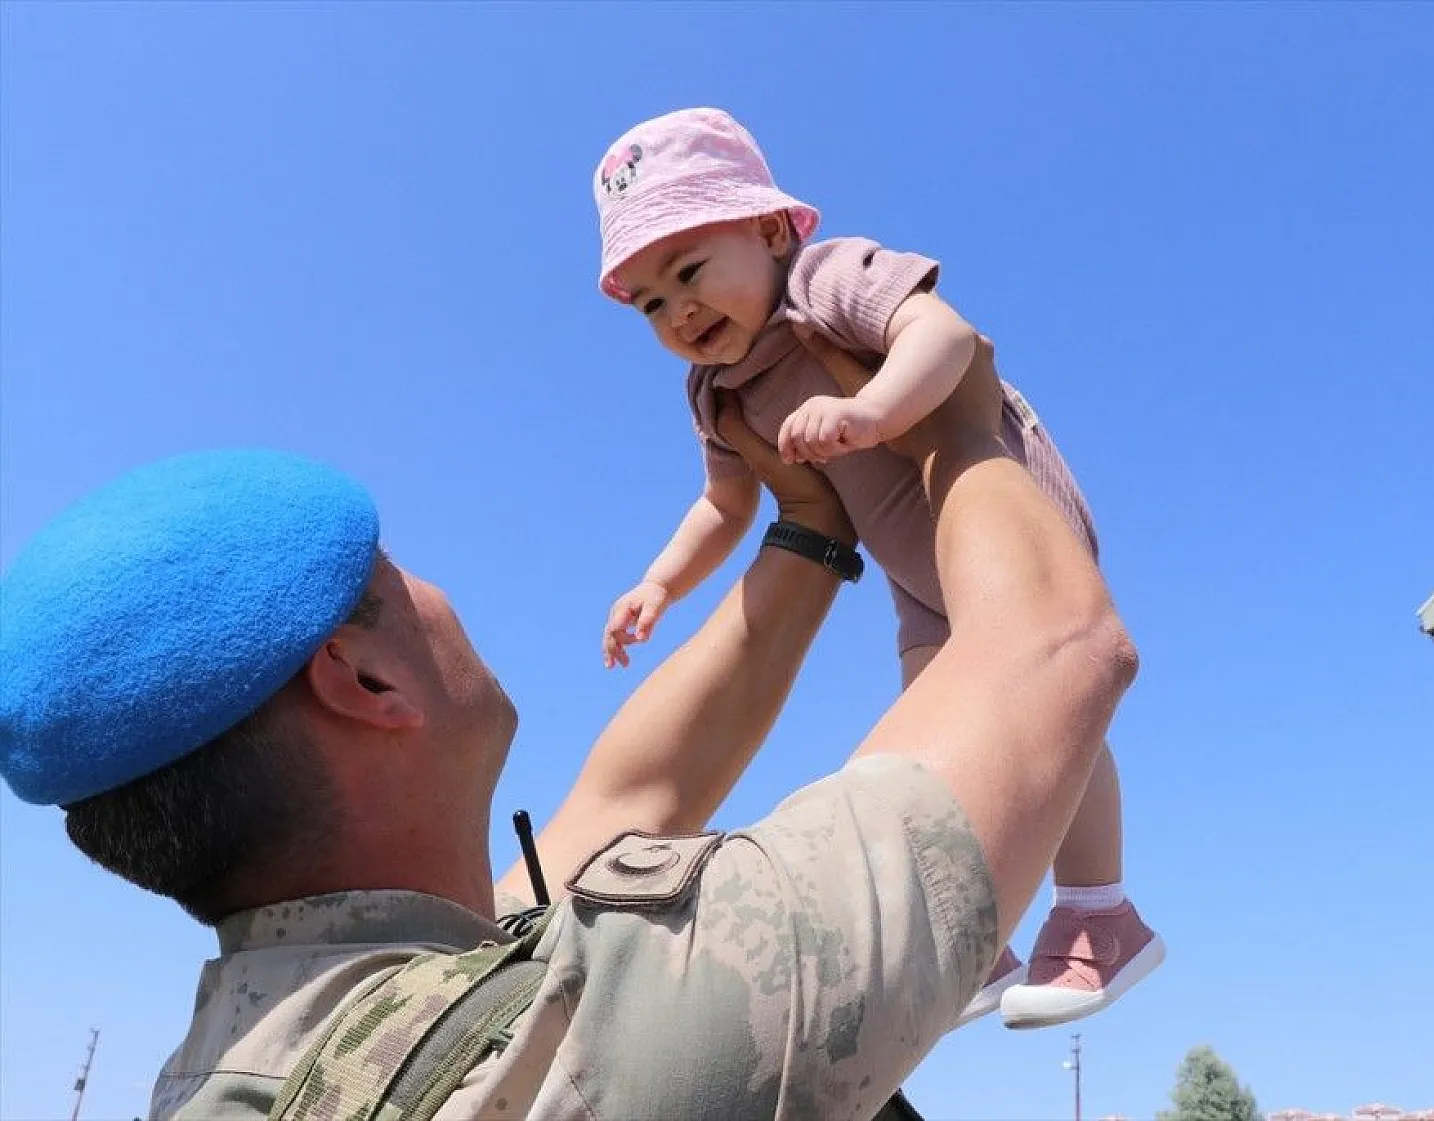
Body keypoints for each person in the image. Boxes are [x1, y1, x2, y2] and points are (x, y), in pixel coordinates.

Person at [0, 334, 1139, 1120]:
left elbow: (631, 800)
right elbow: (1054, 647)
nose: (436, 588)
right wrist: (949, 416)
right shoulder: (585, 1049)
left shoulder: (281, 1046)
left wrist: (802, 527)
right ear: (360, 676)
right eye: (392, 573)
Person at [594, 106, 1164, 1028]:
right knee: (930, 732)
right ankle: (978, 938)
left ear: (771, 230)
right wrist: (659, 582)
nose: (679, 309)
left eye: (691, 270)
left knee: (1052, 691)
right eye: (652, 302)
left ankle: (1102, 913)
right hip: (917, 572)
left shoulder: (823, 279)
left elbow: (943, 334)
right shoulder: (715, 392)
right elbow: (723, 505)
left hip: (996, 494)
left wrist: (875, 413)